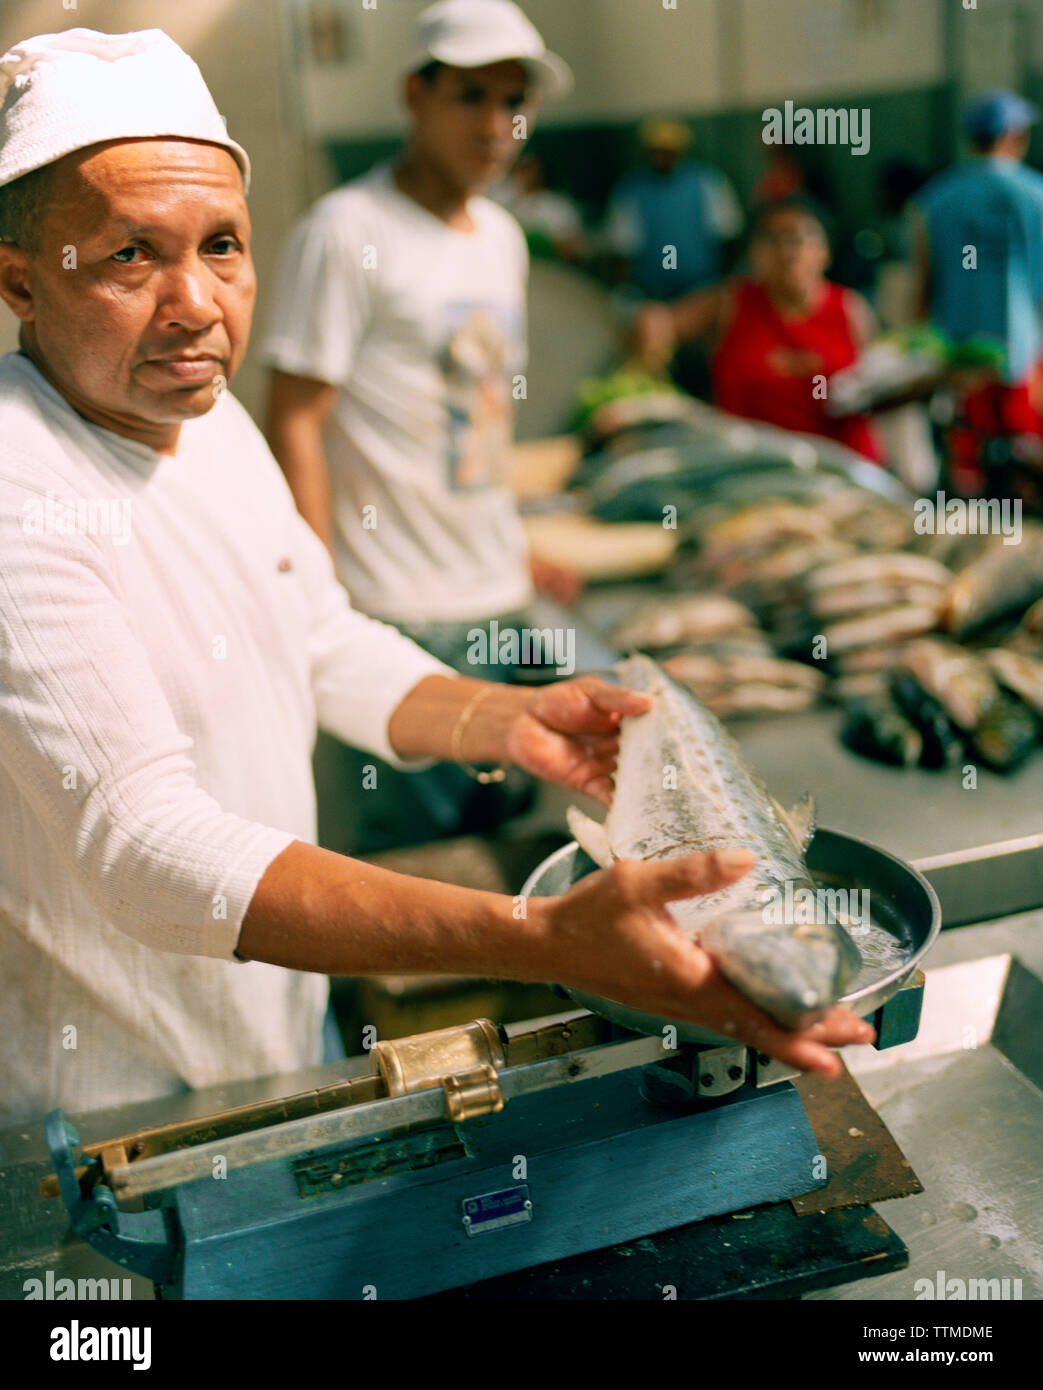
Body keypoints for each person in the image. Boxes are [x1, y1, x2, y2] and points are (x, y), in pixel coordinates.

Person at [0, 29, 872, 1124]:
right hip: (105, 1108)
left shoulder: (207, 425)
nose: (195, 303)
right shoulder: (19, 490)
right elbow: (144, 847)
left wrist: (503, 717)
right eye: (132, 255)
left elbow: (318, 634)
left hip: (267, 1033)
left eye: (220, 246)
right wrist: (534, 937)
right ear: (21, 282)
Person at [264, 0, 581, 855]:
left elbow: (477, 417)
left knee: (510, 852)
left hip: (500, 599)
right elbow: (296, 413)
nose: (495, 123)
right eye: (470, 96)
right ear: (415, 94)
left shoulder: (503, 239)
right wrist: (316, 586)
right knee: (411, 874)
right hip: (400, 613)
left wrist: (513, 545)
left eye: (513, 102)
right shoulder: (346, 232)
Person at [630, 197, 884, 462]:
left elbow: (880, 383)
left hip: (840, 469)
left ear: (825, 251)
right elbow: (659, 321)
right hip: (750, 467)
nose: (786, 253)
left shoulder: (851, 310)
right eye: (771, 240)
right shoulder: (729, 304)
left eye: (797, 238)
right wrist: (650, 348)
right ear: (753, 254)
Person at [912, 89, 1043, 491]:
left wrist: (920, 343)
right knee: (1027, 460)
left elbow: (925, 280)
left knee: (967, 461)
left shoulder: (935, 199)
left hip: (959, 353)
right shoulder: (1035, 193)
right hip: (1023, 352)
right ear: (1014, 136)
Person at [603, 117, 744, 301]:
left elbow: (729, 234)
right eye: (656, 152)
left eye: (668, 152)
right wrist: (625, 290)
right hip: (653, 291)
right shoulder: (631, 189)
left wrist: (727, 282)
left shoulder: (707, 181)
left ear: (681, 151)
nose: (661, 158)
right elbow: (621, 246)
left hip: (704, 287)